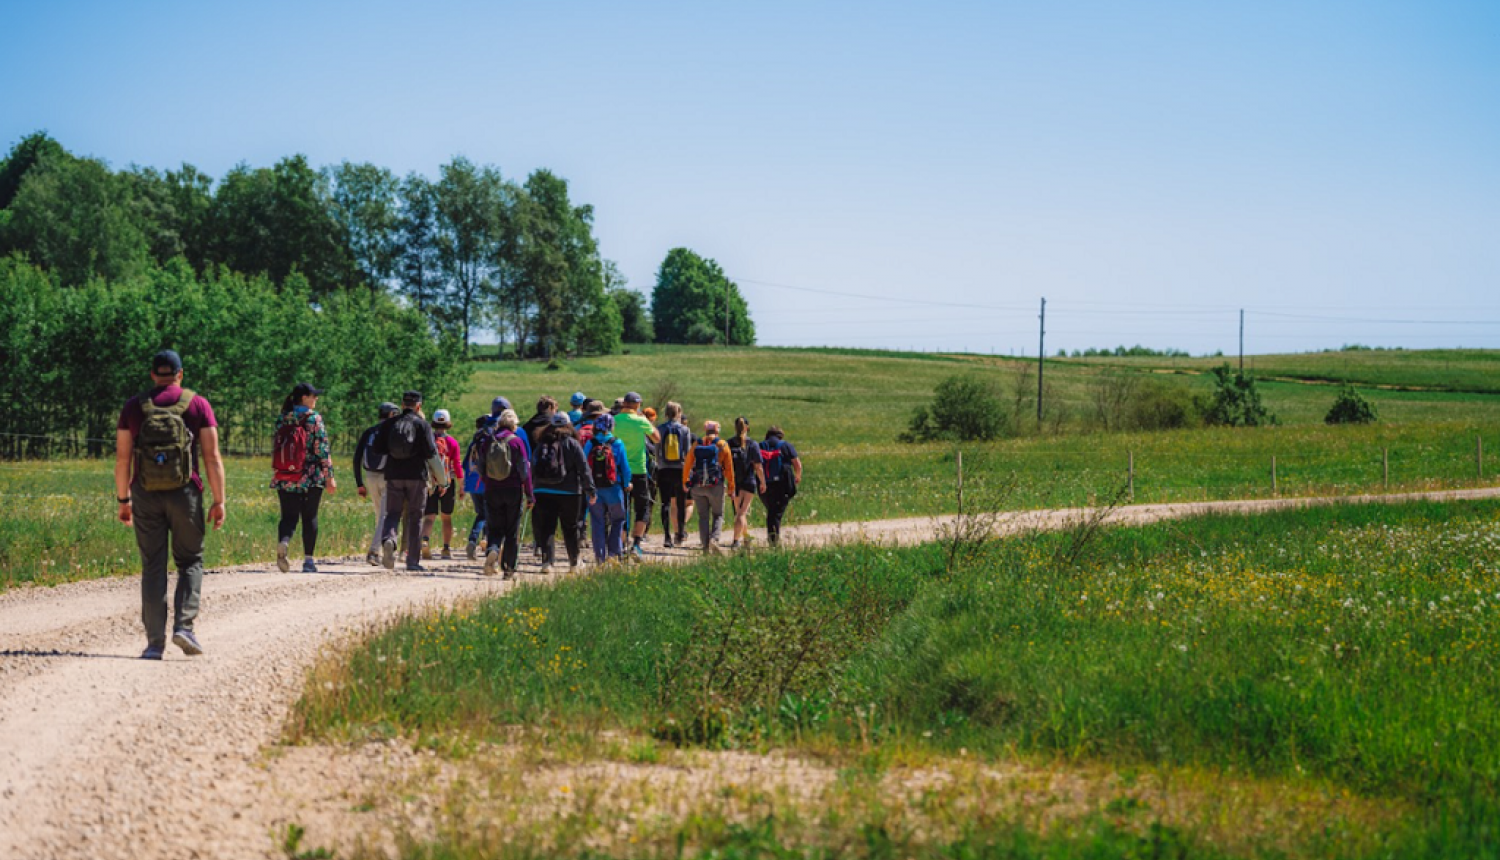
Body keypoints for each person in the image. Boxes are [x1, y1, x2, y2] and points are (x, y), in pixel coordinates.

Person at [114, 349, 227, 660]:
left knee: (152, 566)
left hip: (145, 493)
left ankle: (154, 644)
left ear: (153, 375)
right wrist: (219, 501)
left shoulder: (133, 407)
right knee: (190, 561)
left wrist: (124, 499)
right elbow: (212, 457)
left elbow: (123, 458)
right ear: (180, 373)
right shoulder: (197, 404)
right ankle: (184, 627)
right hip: (186, 493)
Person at [271, 382, 337, 572]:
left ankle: (284, 542)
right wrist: (329, 476)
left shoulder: (283, 417)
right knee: (310, 517)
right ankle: (308, 561)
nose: (316, 398)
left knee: (288, 517)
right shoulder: (313, 418)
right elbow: (322, 449)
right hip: (310, 476)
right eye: (313, 396)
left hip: (285, 476)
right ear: (304, 398)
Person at [373, 390, 439, 572]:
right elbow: (431, 452)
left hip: (393, 474)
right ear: (418, 406)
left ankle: (389, 540)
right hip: (417, 476)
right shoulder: (422, 425)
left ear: (402, 405)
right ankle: (412, 561)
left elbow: (377, 448)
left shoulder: (390, 424)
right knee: (416, 516)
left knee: (392, 513)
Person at [530, 413, 595, 573]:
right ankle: (574, 562)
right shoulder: (573, 443)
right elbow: (583, 469)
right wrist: (590, 490)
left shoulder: (542, 444)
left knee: (547, 527)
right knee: (570, 527)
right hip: (570, 492)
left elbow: (532, 468)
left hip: (543, 490)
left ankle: (547, 563)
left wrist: (530, 490)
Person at [478, 409, 534, 577]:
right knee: (511, 531)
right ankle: (508, 568)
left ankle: (492, 551)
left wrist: (487, 481)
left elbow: (480, 465)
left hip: (492, 489)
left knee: (494, 528)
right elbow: (524, 470)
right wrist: (530, 493)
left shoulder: (488, 441)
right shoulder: (517, 442)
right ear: (513, 425)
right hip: (513, 490)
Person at [613, 392, 660, 559]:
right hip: (639, 469)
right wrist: (646, 421)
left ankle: (622, 545)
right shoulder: (641, 421)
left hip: (618, 469)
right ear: (638, 405)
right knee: (642, 507)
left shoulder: (615, 420)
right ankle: (636, 545)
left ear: (624, 403)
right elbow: (656, 438)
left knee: (623, 508)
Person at [354, 401, 400, 565]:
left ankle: (379, 550)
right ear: (391, 414)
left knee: (380, 514)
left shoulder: (369, 431)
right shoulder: (393, 432)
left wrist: (359, 482)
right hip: (388, 477)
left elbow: (357, 457)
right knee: (385, 515)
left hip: (370, 476)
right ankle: (374, 552)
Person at [582, 414, 631, 563]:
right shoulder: (617, 443)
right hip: (613, 488)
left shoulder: (590, 443)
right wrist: (627, 483)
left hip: (594, 489)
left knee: (597, 521)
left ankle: (600, 557)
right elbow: (625, 467)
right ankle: (614, 554)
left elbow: (584, 465)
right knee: (618, 519)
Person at [682, 420, 735, 554]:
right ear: (717, 431)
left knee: (703, 516)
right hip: (716, 485)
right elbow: (729, 468)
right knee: (718, 514)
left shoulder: (697, 444)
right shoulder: (722, 445)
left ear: (706, 431)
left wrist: (685, 481)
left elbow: (688, 464)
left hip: (698, 486)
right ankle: (714, 540)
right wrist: (731, 487)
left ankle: (705, 546)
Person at [421, 409, 464, 559]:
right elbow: (457, 465)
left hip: (431, 482)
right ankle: (446, 549)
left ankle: (425, 541)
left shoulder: (428, 440)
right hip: (447, 483)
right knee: (446, 517)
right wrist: (461, 485)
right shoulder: (452, 442)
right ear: (447, 423)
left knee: (429, 517)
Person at [654, 401, 695, 548]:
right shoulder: (685, 430)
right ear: (679, 414)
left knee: (665, 503)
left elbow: (657, 450)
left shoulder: (659, 429)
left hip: (664, 469)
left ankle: (666, 536)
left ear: (666, 413)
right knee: (680, 502)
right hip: (680, 469)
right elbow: (688, 452)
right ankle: (680, 533)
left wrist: (660, 465)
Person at [758, 426, 803, 547]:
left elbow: (755, 464)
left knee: (772, 511)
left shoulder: (760, 446)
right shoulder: (786, 445)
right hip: (782, 485)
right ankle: (773, 541)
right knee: (775, 513)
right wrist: (797, 476)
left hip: (765, 484)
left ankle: (773, 538)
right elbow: (797, 464)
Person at [725, 416, 766, 551]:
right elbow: (758, 466)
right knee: (742, 513)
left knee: (739, 512)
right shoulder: (752, 444)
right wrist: (763, 482)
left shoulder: (729, 443)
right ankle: (736, 541)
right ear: (747, 428)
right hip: (749, 482)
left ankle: (746, 538)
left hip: (735, 482)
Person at [462, 415, 489, 559]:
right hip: (486, 482)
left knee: (482, 512)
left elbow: (465, 464)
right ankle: (473, 539)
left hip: (473, 483)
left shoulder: (474, 442)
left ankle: (485, 539)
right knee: (485, 514)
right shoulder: (490, 440)